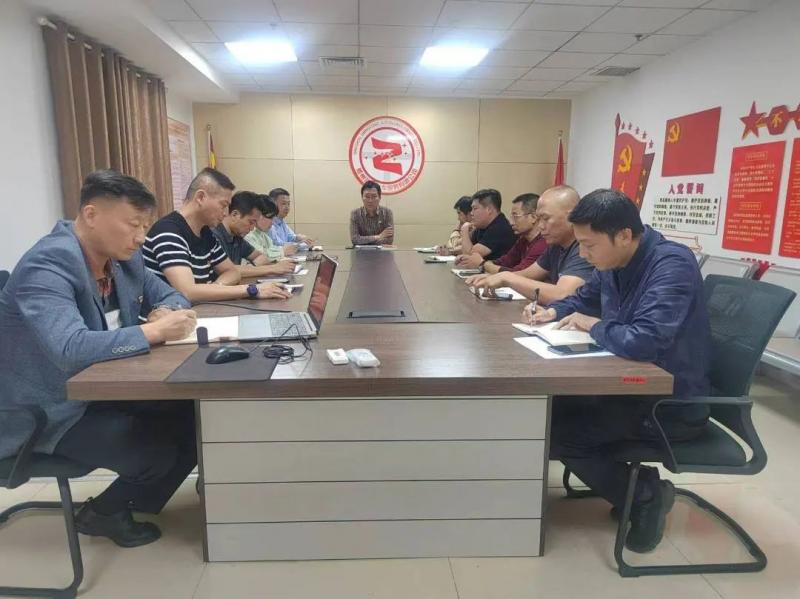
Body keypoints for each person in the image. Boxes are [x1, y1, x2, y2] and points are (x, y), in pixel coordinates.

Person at [0, 170, 199, 548]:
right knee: (155, 451)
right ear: (91, 215)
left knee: (194, 413)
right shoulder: (47, 266)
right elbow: (70, 349)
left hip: (100, 390)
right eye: (133, 225)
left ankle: (134, 501)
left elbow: (173, 295)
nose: (141, 237)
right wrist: (154, 331)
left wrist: (165, 311)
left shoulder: (124, 259)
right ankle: (103, 513)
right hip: (48, 411)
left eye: (146, 226)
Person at [529, 189, 711, 554]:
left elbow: (645, 340)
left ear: (624, 235)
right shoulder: (613, 261)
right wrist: (553, 311)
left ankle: (646, 494)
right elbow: (583, 298)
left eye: (589, 246)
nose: (583, 255)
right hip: (626, 387)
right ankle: (627, 483)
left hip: (668, 402)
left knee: (560, 434)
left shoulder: (671, 265)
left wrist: (593, 325)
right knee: (544, 414)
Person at [142, 167, 290, 303]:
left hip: (200, 310)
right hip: (173, 317)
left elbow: (232, 271)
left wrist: (215, 288)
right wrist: (252, 290)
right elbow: (187, 292)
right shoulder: (169, 231)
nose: (225, 213)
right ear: (200, 197)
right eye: (223, 205)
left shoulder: (205, 233)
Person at [466, 186, 593, 304]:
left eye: (546, 218)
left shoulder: (585, 247)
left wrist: (506, 278)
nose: (541, 226)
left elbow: (562, 295)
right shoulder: (555, 245)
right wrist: (494, 277)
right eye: (539, 218)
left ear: (571, 217)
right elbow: (527, 274)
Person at [212, 191, 295, 278]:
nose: (252, 228)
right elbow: (229, 270)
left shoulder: (237, 236)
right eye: (251, 222)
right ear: (235, 215)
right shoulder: (214, 236)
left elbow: (261, 257)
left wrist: (251, 268)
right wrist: (272, 268)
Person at [482, 193, 547, 274]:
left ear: (533, 217)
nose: (511, 222)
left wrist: (485, 264)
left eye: (515, 216)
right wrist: (488, 264)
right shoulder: (523, 240)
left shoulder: (543, 243)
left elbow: (518, 274)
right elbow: (506, 261)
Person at [455, 189, 516, 268]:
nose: (471, 213)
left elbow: (470, 256)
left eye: (475, 208)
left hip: (498, 272)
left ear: (489, 210)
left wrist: (464, 229)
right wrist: (453, 253)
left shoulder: (500, 227)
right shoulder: (483, 226)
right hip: (487, 271)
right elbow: (467, 248)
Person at [267, 187, 315, 252]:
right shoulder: (268, 223)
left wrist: (302, 238)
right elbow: (279, 244)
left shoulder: (281, 221)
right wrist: (301, 244)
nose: (287, 207)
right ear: (272, 204)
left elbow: (291, 237)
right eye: (283, 203)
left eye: (288, 204)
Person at [350, 180, 394, 246]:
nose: (370, 200)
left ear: (380, 197)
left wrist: (364, 241)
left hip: (382, 252)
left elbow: (389, 241)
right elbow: (355, 239)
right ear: (362, 197)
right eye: (367, 197)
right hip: (361, 252)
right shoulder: (355, 214)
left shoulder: (387, 213)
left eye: (374, 196)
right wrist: (378, 236)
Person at [245, 195, 286, 262]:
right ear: (257, 215)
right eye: (270, 218)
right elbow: (260, 256)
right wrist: (282, 252)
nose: (272, 223)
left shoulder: (264, 235)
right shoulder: (248, 234)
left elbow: (272, 250)